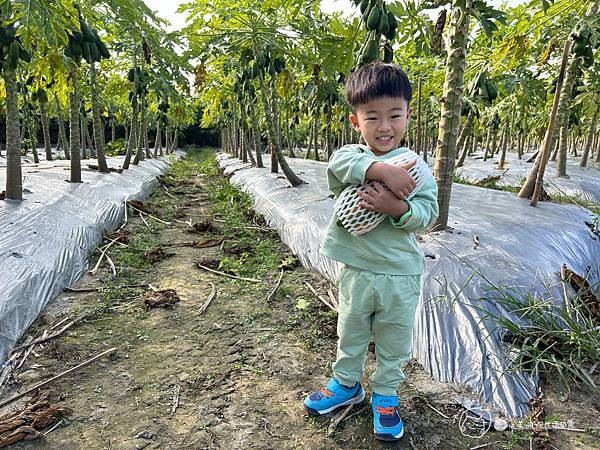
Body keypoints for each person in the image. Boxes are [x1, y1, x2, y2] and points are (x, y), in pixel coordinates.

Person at [303, 61, 439, 442]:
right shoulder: (354, 156)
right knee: (351, 330)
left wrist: (396, 208)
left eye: (394, 115)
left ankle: (386, 395)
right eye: (372, 117)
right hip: (358, 270)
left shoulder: (418, 168)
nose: (384, 126)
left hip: (400, 275)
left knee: (394, 339)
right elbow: (339, 163)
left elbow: (428, 212)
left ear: (408, 115)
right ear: (355, 121)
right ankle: (346, 384)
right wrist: (380, 170)